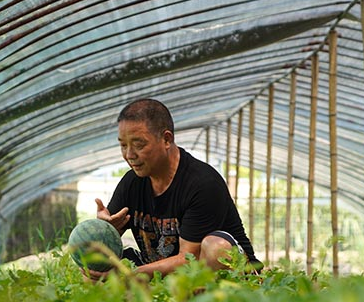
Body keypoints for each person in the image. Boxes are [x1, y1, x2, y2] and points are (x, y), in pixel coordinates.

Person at [89, 98, 257, 279]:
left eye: (139, 145)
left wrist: (132, 273)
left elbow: (188, 259)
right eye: (123, 145)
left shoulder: (202, 183)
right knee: (97, 263)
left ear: (166, 139)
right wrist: (104, 229)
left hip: (232, 274)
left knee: (215, 247)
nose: (129, 155)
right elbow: (99, 247)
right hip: (171, 278)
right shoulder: (132, 182)